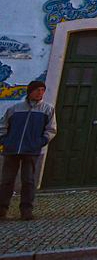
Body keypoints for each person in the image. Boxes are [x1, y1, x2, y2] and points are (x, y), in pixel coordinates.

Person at [0, 80, 56, 221]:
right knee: (6, 180)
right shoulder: (15, 109)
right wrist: (5, 141)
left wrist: (40, 142)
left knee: (28, 180)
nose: (40, 93)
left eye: (42, 90)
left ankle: (26, 210)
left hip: (31, 150)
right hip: (12, 150)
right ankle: (2, 209)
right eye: (37, 90)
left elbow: (51, 129)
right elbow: (3, 126)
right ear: (30, 91)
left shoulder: (47, 109)